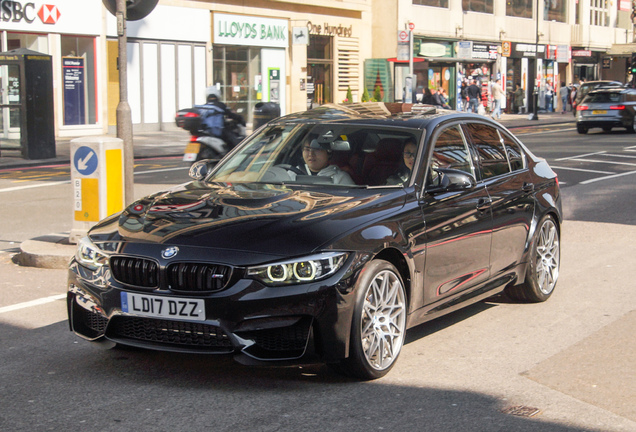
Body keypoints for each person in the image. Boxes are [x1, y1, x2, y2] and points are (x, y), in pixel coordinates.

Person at [290, 138, 355, 185]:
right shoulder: (292, 174)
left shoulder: (340, 178)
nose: (311, 154)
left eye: (317, 149)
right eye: (307, 149)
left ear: (328, 153)